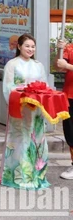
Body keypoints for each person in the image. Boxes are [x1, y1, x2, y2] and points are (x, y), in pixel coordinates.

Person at [0, 34, 54, 190]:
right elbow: (8, 87)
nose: (30, 49)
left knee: (36, 140)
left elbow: (45, 86)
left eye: (32, 46)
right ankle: (17, 174)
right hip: (20, 109)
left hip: (36, 110)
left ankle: (37, 174)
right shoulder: (12, 64)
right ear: (19, 47)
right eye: (27, 46)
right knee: (20, 140)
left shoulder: (38, 65)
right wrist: (23, 96)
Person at [56, 40, 73, 180]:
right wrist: (59, 50)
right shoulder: (70, 47)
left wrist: (68, 65)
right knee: (70, 131)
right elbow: (60, 68)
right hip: (69, 95)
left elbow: (66, 66)